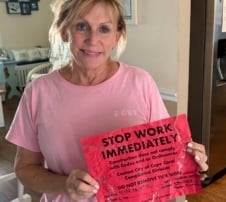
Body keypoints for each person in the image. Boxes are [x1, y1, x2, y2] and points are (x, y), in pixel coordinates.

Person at [6, 0, 208, 201]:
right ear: (64, 31)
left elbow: (164, 159)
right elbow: (25, 168)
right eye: (81, 26)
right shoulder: (38, 92)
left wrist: (188, 161)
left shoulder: (140, 82)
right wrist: (65, 185)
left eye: (104, 29)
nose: (93, 39)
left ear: (116, 36)